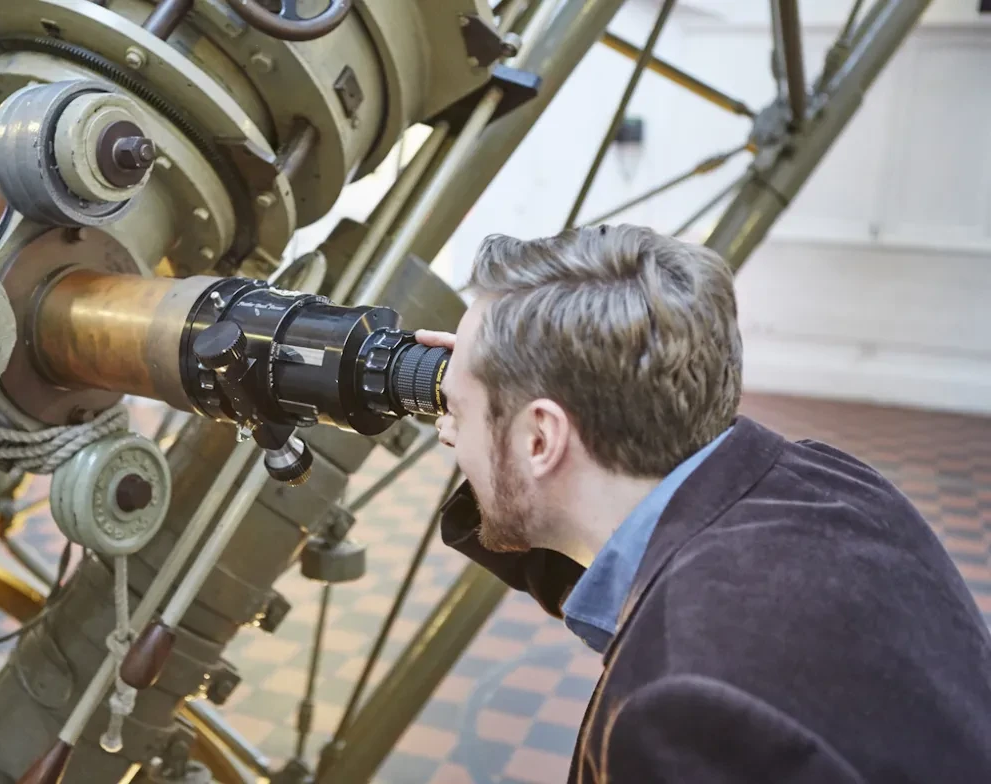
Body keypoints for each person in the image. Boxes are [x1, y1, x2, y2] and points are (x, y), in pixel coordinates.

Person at [414, 223, 991, 784]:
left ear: (541, 438)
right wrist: (487, 397)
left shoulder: (681, 711)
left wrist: (488, 406)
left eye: (456, 412)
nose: (451, 433)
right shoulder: (835, 485)